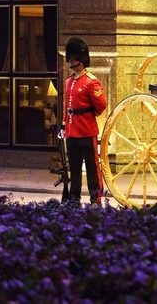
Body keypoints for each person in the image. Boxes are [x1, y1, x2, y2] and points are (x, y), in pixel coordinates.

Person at [61, 37, 108, 205]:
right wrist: (65, 125)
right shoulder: (68, 82)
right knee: (74, 168)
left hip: (87, 130)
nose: (71, 62)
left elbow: (101, 105)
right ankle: (74, 199)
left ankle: (96, 198)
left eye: (74, 59)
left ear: (81, 60)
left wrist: (88, 115)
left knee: (92, 167)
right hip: (72, 131)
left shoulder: (91, 81)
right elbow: (67, 106)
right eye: (71, 59)